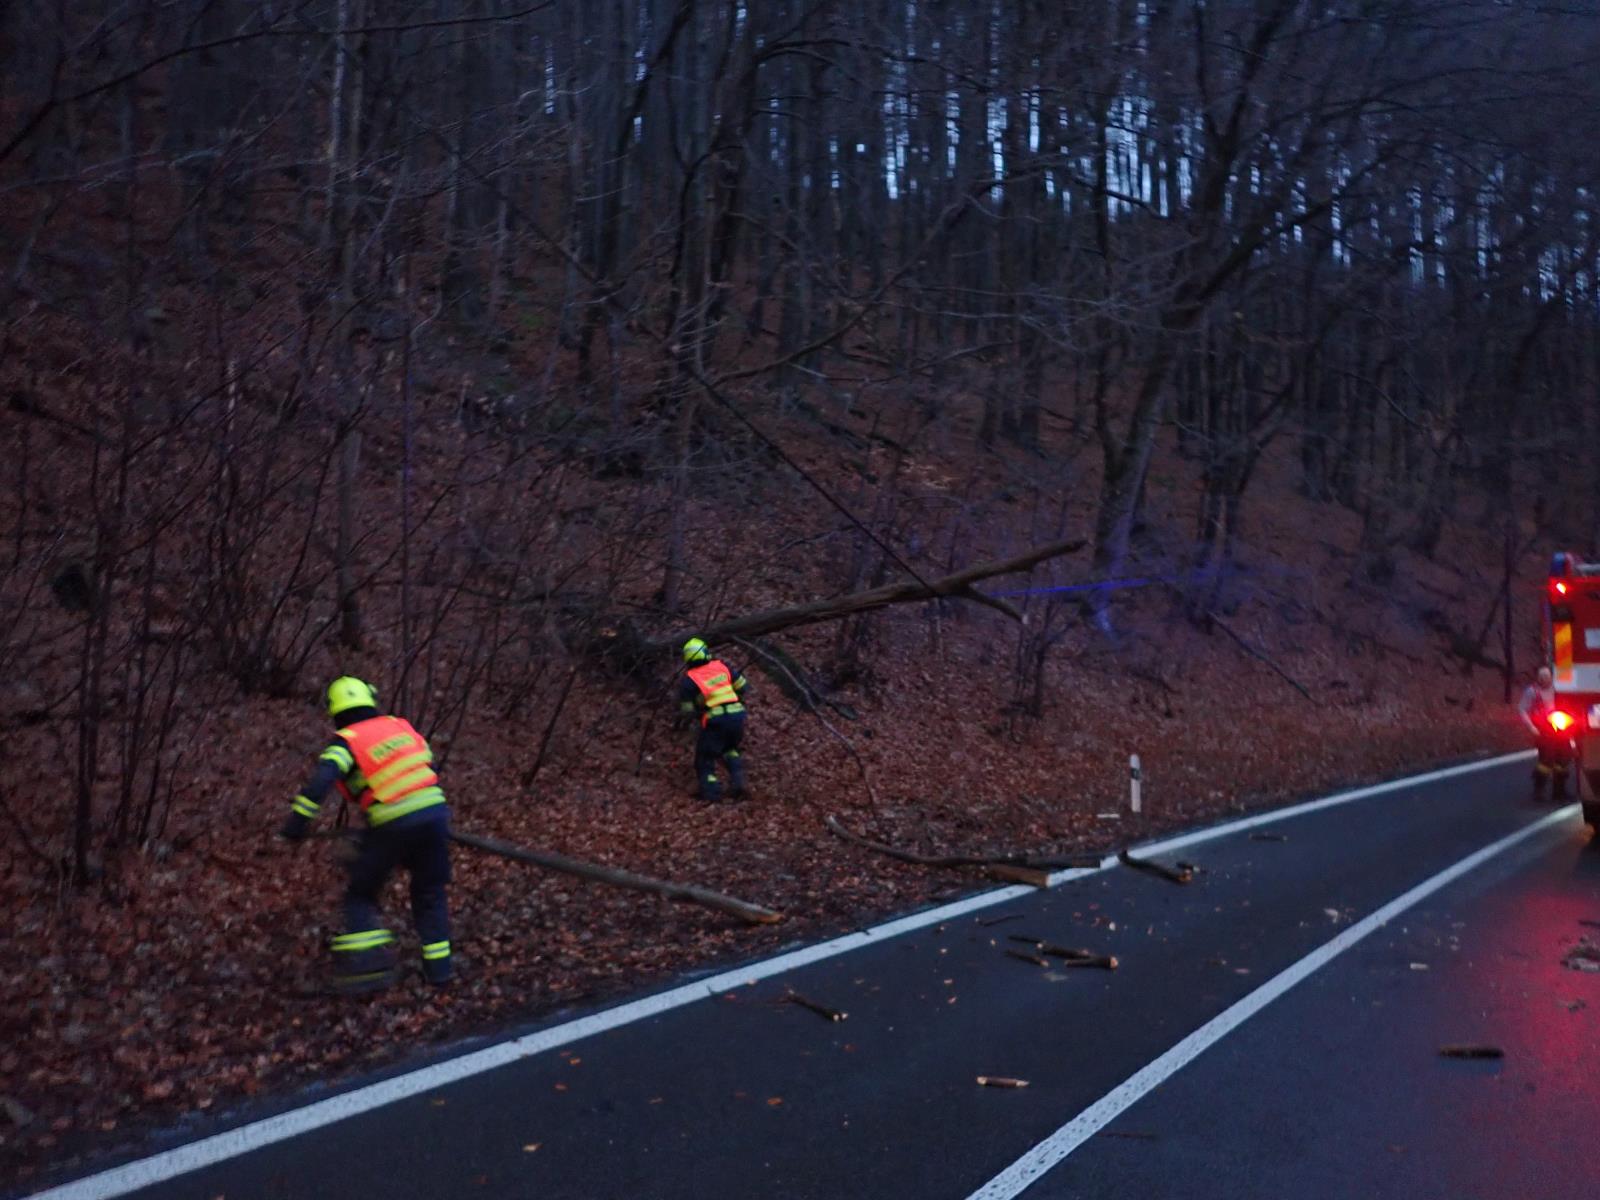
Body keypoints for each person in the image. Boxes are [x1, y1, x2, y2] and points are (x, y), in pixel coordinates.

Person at [279, 676, 453, 991]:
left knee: (361, 893)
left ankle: (368, 967)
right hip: (435, 814)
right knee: (429, 893)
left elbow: (321, 783)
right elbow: (427, 766)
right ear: (370, 700)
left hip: (392, 822)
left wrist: (296, 825)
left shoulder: (346, 741)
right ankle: (440, 972)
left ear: (336, 711)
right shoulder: (400, 726)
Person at [678, 638, 749, 802]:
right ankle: (738, 783)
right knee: (731, 749)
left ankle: (712, 794)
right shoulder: (722, 666)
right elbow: (743, 686)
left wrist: (698, 705)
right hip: (737, 716)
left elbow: (687, 711)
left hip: (715, 720)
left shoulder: (690, 679)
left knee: (705, 758)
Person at [1518, 665, 1571, 800]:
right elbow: (1522, 710)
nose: (1544, 679)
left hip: (1561, 729)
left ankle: (1559, 791)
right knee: (1546, 761)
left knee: (1563, 759)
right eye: (1541, 677)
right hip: (1544, 731)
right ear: (1538, 678)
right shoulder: (1532, 692)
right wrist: (1531, 727)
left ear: (1551, 677)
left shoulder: (1558, 689)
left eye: (1547, 676)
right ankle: (1538, 791)